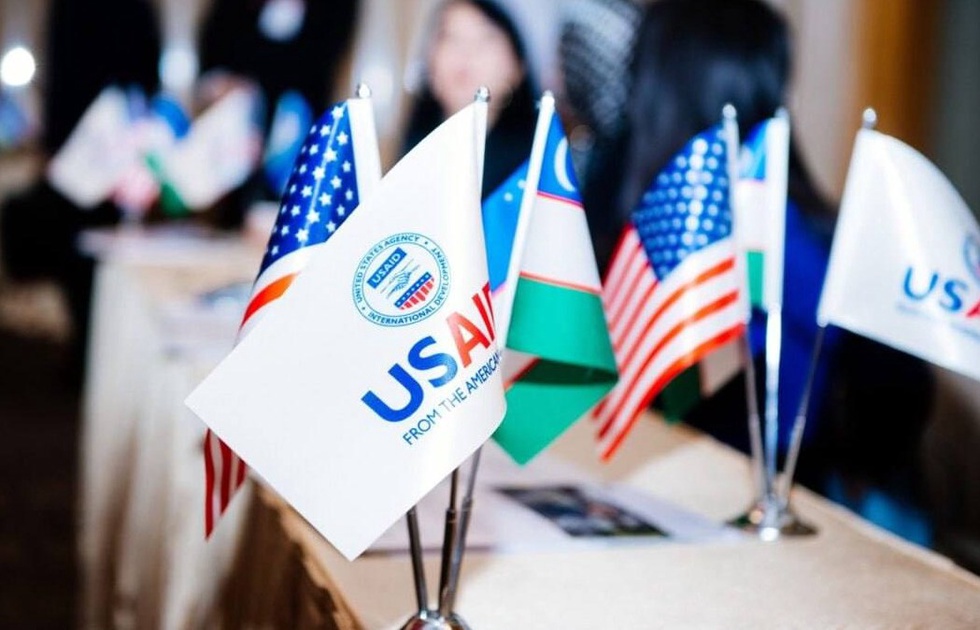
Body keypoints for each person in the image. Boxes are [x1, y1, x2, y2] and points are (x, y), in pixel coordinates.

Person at [613, 0, 934, 498]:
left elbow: (893, 381)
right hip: (693, 476)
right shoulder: (676, 205)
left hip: (780, 488)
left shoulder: (775, 231)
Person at [400, 0, 537, 197]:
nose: (465, 53)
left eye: (484, 39)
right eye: (451, 37)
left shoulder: (536, 171)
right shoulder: (410, 160)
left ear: (518, 66)